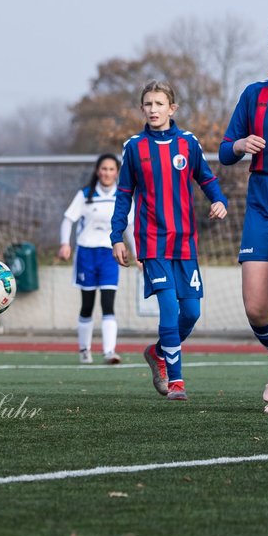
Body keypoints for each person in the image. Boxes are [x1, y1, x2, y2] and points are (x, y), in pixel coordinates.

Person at [112, 80, 227, 402]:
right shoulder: (134, 147)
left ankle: (157, 352)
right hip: (152, 242)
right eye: (147, 104)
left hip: (185, 242)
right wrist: (117, 236)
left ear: (171, 108)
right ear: (142, 108)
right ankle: (176, 383)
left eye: (159, 104)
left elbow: (206, 177)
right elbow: (123, 195)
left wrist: (219, 200)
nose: (153, 110)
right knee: (167, 311)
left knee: (190, 313)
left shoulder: (188, 143)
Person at [218, 28, 268, 413]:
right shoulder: (255, 94)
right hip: (261, 202)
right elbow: (224, 150)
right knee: (256, 306)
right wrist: (240, 145)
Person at [58, 154, 133, 365]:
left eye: (111, 169)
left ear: (117, 172)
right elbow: (67, 220)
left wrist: (138, 253)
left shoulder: (124, 196)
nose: (107, 173)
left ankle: (110, 351)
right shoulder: (85, 195)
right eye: (104, 169)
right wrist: (65, 244)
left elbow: (130, 226)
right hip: (86, 254)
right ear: (97, 171)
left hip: (110, 254)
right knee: (87, 304)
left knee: (108, 303)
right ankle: (84, 350)